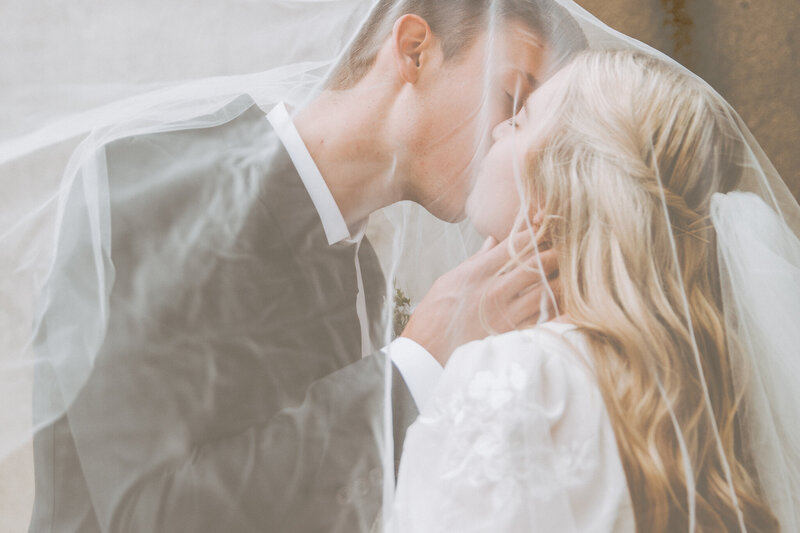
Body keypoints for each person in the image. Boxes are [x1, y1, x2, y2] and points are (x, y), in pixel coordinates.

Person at [25, 2, 585, 532]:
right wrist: (415, 361)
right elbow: (150, 515)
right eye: (512, 100)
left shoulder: (362, 270)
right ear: (414, 50)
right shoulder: (154, 185)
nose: (517, 145)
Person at [390, 48, 800, 532]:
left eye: (519, 122)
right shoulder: (713, 387)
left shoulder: (517, 377)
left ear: (559, 189)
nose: (498, 128)